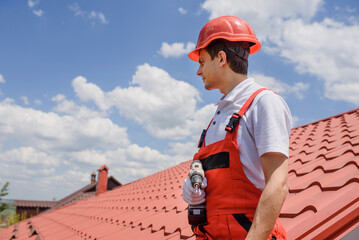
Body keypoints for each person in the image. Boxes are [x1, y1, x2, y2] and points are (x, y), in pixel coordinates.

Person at [182, 16, 292, 240]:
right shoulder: (217, 117)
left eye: (202, 61)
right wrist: (197, 193)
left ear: (221, 58)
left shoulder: (263, 103)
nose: (198, 71)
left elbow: (278, 183)